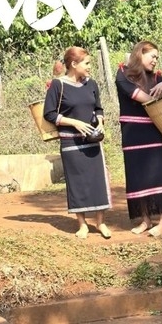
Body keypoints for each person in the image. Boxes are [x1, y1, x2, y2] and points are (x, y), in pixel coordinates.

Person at [44, 47, 111, 239]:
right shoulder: (58, 85)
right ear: (73, 64)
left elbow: (98, 108)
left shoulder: (92, 84)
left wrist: (100, 122)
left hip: (93, 140)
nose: (90, 67)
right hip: (71, 143)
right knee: (77, 183)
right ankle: (82, 225)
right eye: (87, 63)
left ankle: (101, 222)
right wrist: (74, 123)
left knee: (98, 180)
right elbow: (49, 113)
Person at [115, 40, 162, 237]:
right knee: (137, 175)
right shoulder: (123, 74)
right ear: (140, 54)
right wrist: (158, 93)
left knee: (157, 173)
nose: (155, 61)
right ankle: (145, 220)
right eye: (152, 56)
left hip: (153, 132)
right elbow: (141, 97)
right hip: (132, 133)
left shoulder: (157, 77)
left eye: (157, 58)